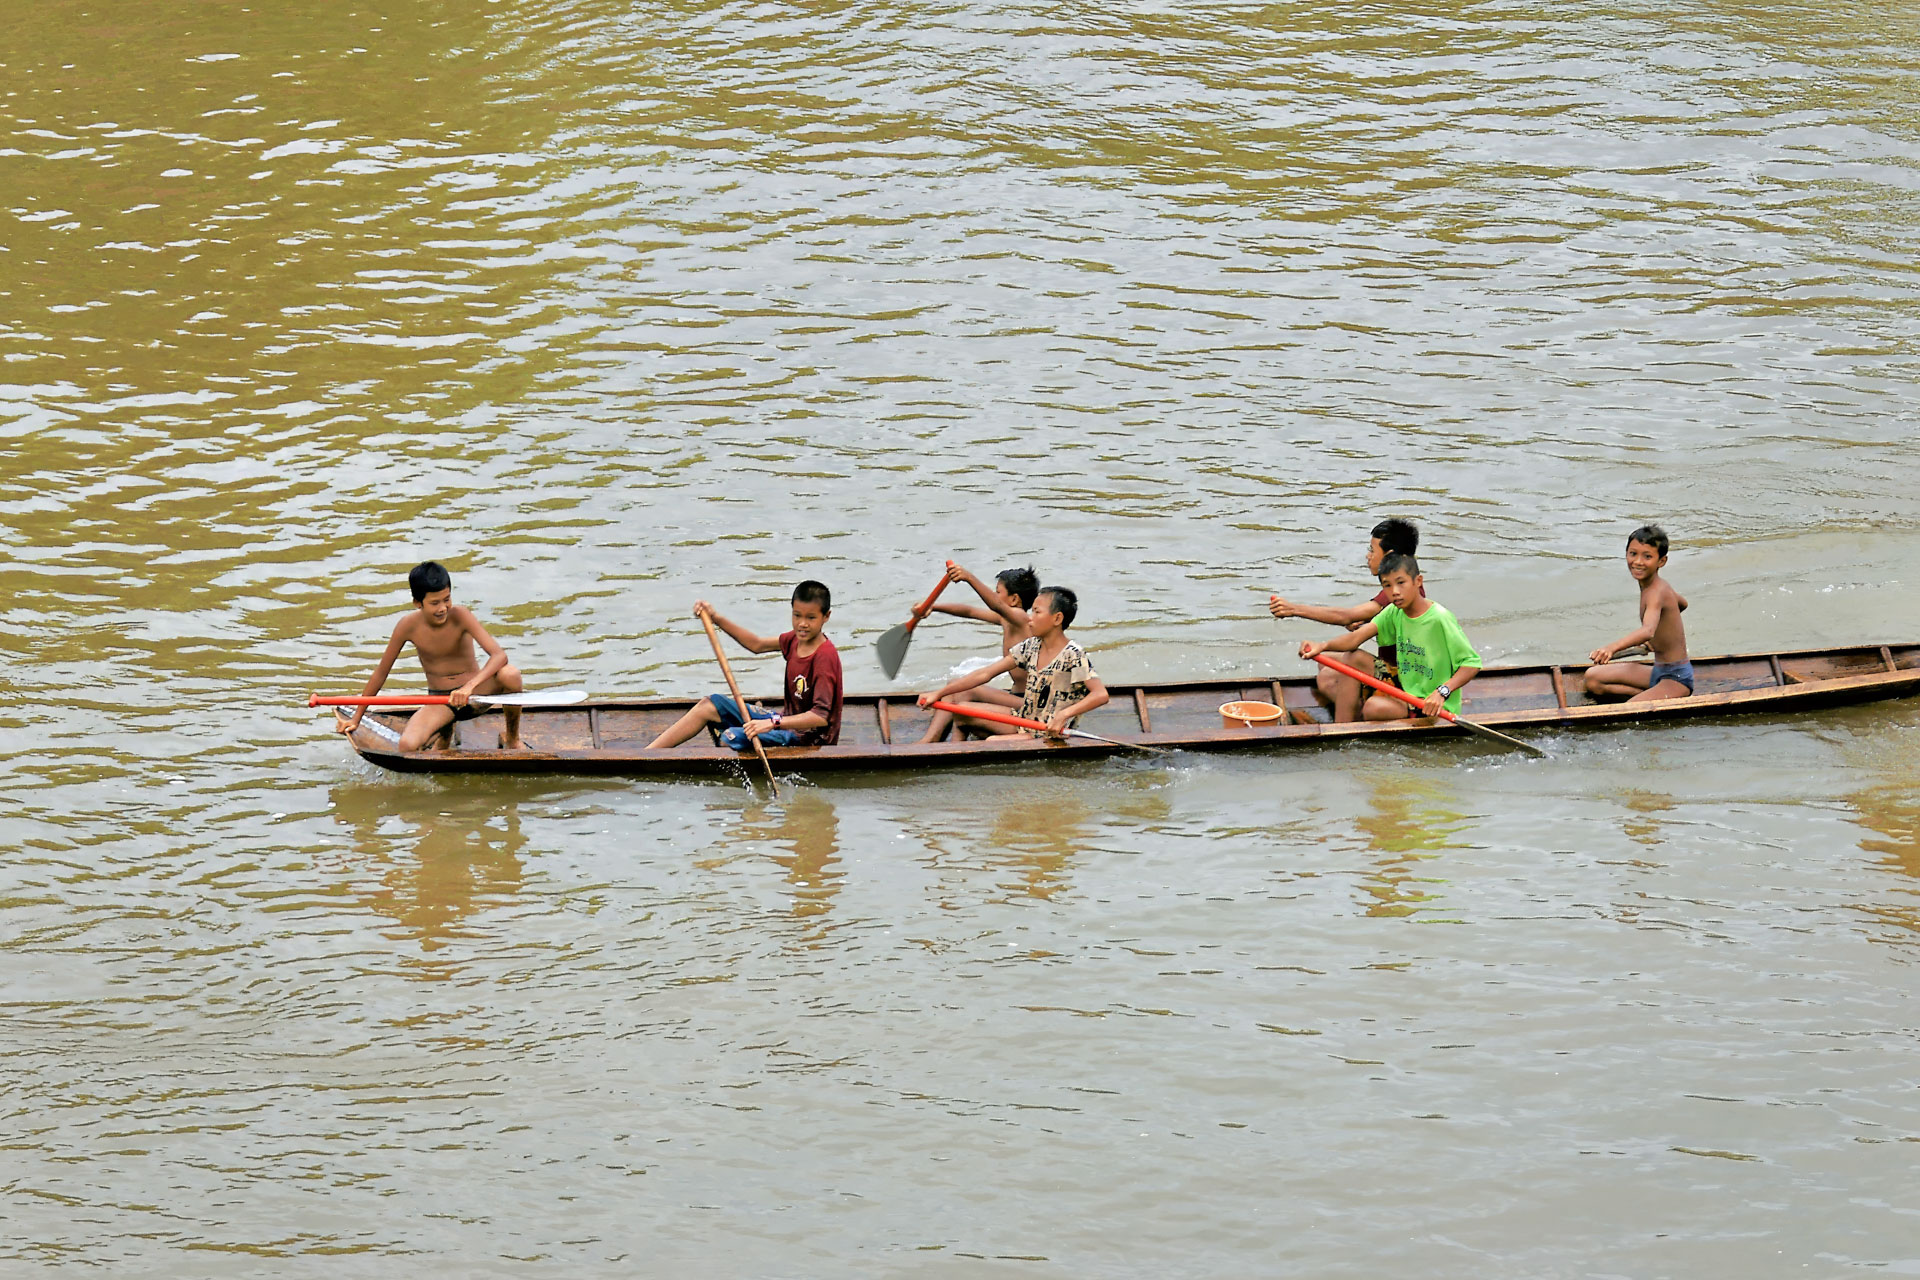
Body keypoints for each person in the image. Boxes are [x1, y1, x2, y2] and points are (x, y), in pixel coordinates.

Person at [334, 560, 524, 751]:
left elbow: (499, 656)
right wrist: (356, 718)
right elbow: (380, 674)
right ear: (418, 603)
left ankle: (512, 739)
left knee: (511, 674)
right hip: (441, 701)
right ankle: (444, 732)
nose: (443, 608)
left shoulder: (461, 615)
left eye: (447, 599)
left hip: (474, 696)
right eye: (434, 603)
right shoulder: (407, 626)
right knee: (407, 746)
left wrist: (468, 687)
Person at [646, 581, 843, 750]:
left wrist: (772, 723)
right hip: (785, 723)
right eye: (797, 615)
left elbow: (820, 717)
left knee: (732, 736)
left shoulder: (824, 657)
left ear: (826, 616)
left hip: (809, 740)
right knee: (710, 705)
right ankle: (647, 755)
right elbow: (756, 644)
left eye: (811, 618)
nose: (802, 624)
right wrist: (716, 619)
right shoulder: (794, 640)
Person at [1270, 517, 1421, 722]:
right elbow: (1369, 620)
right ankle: (1357, 711)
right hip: (1390, 669)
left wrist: (1294, 609)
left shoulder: (1399, 592)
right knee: (1326, 671)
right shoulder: (1399, 590)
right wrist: (1366, 623)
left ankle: (1342, 726)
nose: (1368, 556)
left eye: (1372, 550)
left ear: (1390, 555)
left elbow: (1346, 617)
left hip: (1406, 678)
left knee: (1353, 658)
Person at [1298, 553, 1481, 721]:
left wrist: (1442, 692)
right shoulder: (1394, 611)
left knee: (1373, 708)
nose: (1394, 591)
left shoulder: (1440, 618)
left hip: (1429, 703)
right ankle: (1341, 729)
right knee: (1353, 657)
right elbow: (1355, 639)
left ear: (1418, 581)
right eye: (1387, 585)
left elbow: (1471, 663)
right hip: (1403, 685)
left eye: (1401, 583)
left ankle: (1355, 720)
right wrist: (1322, 646)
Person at [916, 586, 1108, 740]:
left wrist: (1064, 715)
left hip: (1049, 732)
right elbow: (985, 674)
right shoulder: (1031, 646)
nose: (1030, 619)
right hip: (1025, 719)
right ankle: (950, 752)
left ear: (1057, 618)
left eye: (1037, 613)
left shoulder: (1073, 655)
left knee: (992, 742)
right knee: (962, 711)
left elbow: (1100, 695)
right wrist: (939, 693)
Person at [917, 561, 1039, 744]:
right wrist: (933, 607)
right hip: (1015, 697)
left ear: (1014, 599)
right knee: (957, 687)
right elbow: (969, 611)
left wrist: (969, 577)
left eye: (998, 592)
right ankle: (932, 740)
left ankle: (950, 746)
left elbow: (996, 605)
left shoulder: (1022, 619)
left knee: (962, 703)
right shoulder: (1007, 620)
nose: (995, 596)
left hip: (1029, 704)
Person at [1584, 525, 1693, 702]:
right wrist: (1657, 638)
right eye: (1633, 554)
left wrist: (1611, 648)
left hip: (1676, 678)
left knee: (1629, 710)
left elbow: (1648, 630)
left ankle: (1645, 699)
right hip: (1658, 670)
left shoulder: (1657, 592)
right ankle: (1647, 697)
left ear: (1661, 561)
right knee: (1592, 678)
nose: (1638, 562)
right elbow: (1682, 604)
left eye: (1647, 556)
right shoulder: (1657, 587)